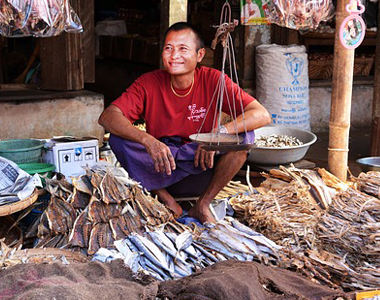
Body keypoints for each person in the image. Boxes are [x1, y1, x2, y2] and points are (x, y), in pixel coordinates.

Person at [98, 22, 271, 224]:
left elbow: (261, 114)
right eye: (168, 48)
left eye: (183, 49)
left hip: (202, 163)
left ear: (199, 55)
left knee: (245, 136)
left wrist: (215, 136)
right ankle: (166, 199)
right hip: (161, 165)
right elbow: (108, 116)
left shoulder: (213, 80)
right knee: (118, 139)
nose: (174, 56)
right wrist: (148, 141)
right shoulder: (149, 82)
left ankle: (203, 204)